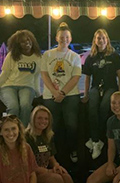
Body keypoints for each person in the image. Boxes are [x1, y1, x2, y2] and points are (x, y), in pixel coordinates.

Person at [25, 105, 82, 183]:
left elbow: (51, 156)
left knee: (66, 176)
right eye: (39, 118)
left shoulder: (48, 135)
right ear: (33, 119)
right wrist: (48, 171)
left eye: (46, 119)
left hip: (46, 171)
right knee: (58, 180)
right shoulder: (27, 137)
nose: (43, 121)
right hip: (33, 175)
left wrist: (56, 165)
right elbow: (28, 165)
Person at [41, 22, 81, 163]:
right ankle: (52, 154)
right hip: (50, 95)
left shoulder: (75, 56)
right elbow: (44, 75)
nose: (64, 39)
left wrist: (62, 93)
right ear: (56, 38)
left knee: (72, 125)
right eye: (62, 37)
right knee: (52, 126)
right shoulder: (47, 54)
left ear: (70, 38)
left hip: (70, 95)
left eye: (67, 37)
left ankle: (72, 150)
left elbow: (76, 77)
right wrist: (54, 92)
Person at [83, 29, 120, 159]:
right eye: (98, 38)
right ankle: (96, 141)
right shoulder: (90, 57)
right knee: (92, 107)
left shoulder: (114, 56)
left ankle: (98, 138)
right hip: (96, 87)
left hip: (111, 87)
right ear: (95, 40)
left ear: (107, 40)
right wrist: (86, 94)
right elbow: (87, 77)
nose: (101, 40)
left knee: (104, 107)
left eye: (103, 38)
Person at [0, 30, 42, 126]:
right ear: (17, 44)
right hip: (9, 86)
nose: (27, 43)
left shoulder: (37, 57)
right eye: (23, 42)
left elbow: (36, 76)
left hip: (27, 86)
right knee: (13, 107)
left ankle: (22, 133)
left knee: (25, 106)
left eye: (28, 40)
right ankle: (12, 132)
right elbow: (4, 75)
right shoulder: (12, 56)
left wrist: (38, 93)